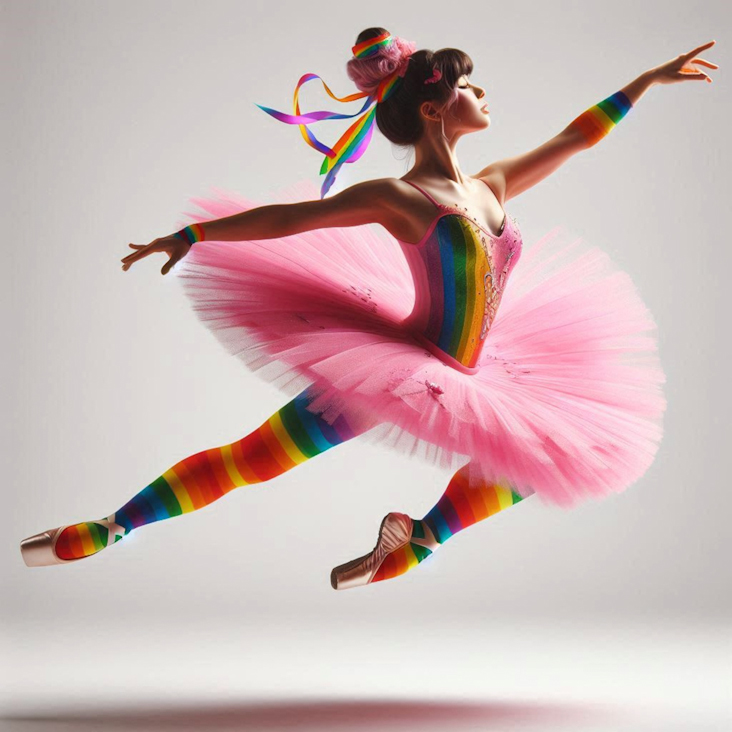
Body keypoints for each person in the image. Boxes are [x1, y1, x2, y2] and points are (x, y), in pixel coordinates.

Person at [20, 29, 717, 590]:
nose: (481, 90)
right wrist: (193, 234)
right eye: (468, 82)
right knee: (256, 459)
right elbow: (294, 218)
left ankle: (419, 539)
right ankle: (112, 527)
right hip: (399, 367)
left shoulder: (494, 184)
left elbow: (574, 138)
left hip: (481, 372)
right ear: (432, 108)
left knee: (549, 454)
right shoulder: (401, 197)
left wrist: (646, 82)